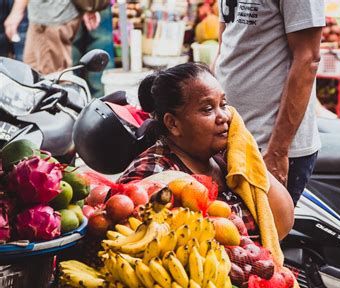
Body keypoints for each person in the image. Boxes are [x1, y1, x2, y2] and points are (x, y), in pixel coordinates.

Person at [117, 62, 295, 240]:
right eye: (208, 109)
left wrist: (246, 149)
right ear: (173, 123)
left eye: (223, 104)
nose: (224, 116)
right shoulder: (153, 172)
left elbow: (282, 223)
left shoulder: (229, 159)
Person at [215, 0, 325, 206]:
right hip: (232, 136)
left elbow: (307, 59)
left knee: (263, 236)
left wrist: (277, 151)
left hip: (267, 146)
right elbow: (226, 44)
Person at [4, 0, 101, 74]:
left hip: (52, 17)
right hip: (49, 15)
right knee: (33, 75)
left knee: (52, 79)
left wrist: (17, 11)